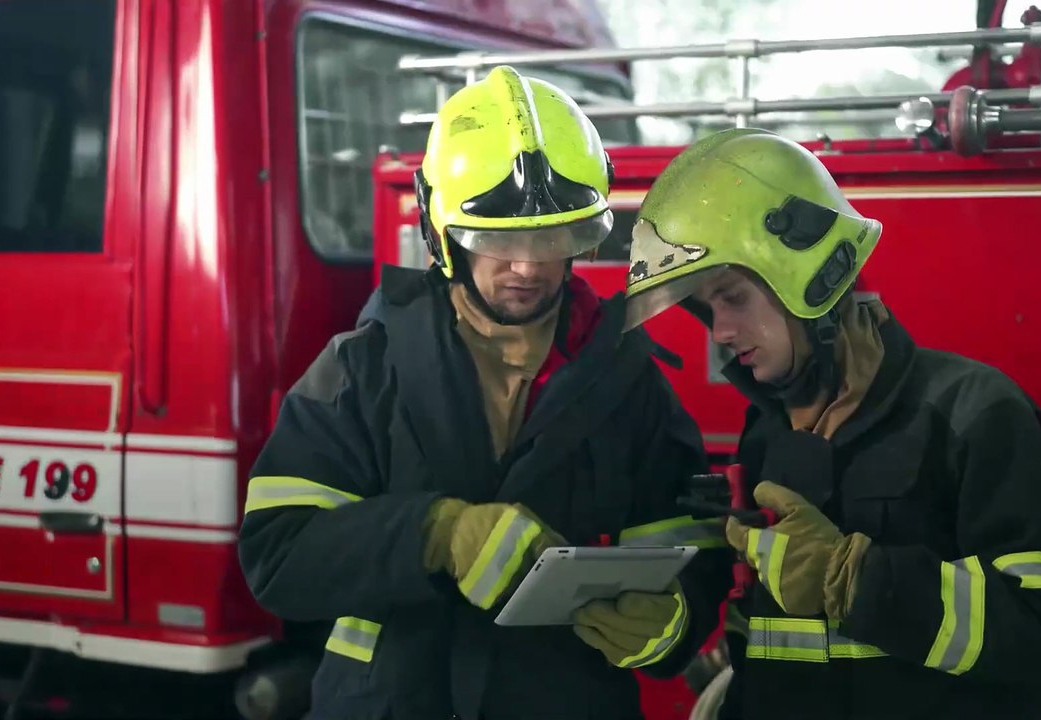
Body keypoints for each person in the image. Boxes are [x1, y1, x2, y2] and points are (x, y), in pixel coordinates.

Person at [236, 66, 732, 720]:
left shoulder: (626, 381)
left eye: (553, 235)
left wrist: (671, 625)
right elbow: (278, 554)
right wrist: (437, 532)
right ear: (440, 229)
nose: (528, 265)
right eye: (498, 235)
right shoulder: (362, 370)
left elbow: (688, 550)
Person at [620, 127, 1041, 720]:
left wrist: (856, 580)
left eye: (734, 298)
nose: (719, 332)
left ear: (813, 273)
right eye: (706, 307)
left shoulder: (973, 415)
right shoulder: (769, 433)